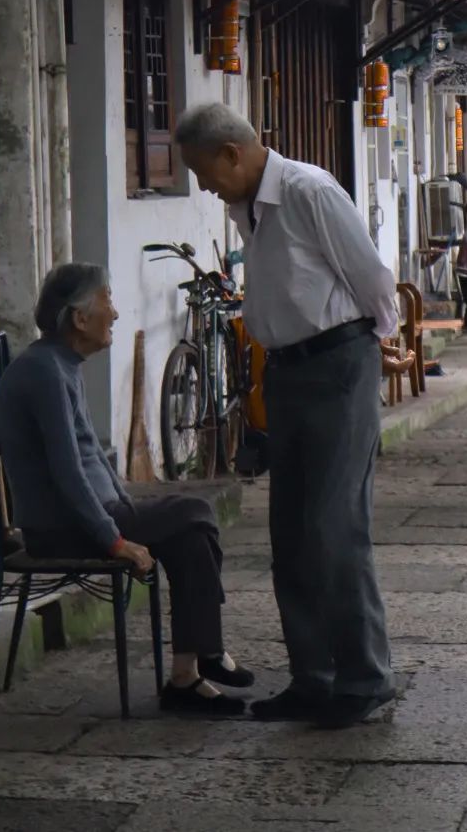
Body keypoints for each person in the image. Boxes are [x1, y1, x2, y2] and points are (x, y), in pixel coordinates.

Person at [175, 103, 398, 730]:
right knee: (292, 537)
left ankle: (364, 676)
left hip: (338, 365)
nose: (203, 186)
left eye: (203, 171)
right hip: (288, 372)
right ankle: (312, 677)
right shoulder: (249, 204)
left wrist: (369, 351)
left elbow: (371, 278)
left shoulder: (308, 190)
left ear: (232, 153)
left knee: (335, 528)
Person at [0, 262, 252, 718]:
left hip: (97, 513)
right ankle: (203, 652)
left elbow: (90, 456)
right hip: (65, 527)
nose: (114, 314)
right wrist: (115, 541)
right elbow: (69, 473)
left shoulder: (60, 365)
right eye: (107, 300)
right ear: (79, 317)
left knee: (191, 531)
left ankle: (187, 676)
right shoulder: (45, 373)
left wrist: (126, 506)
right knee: (196, 511)